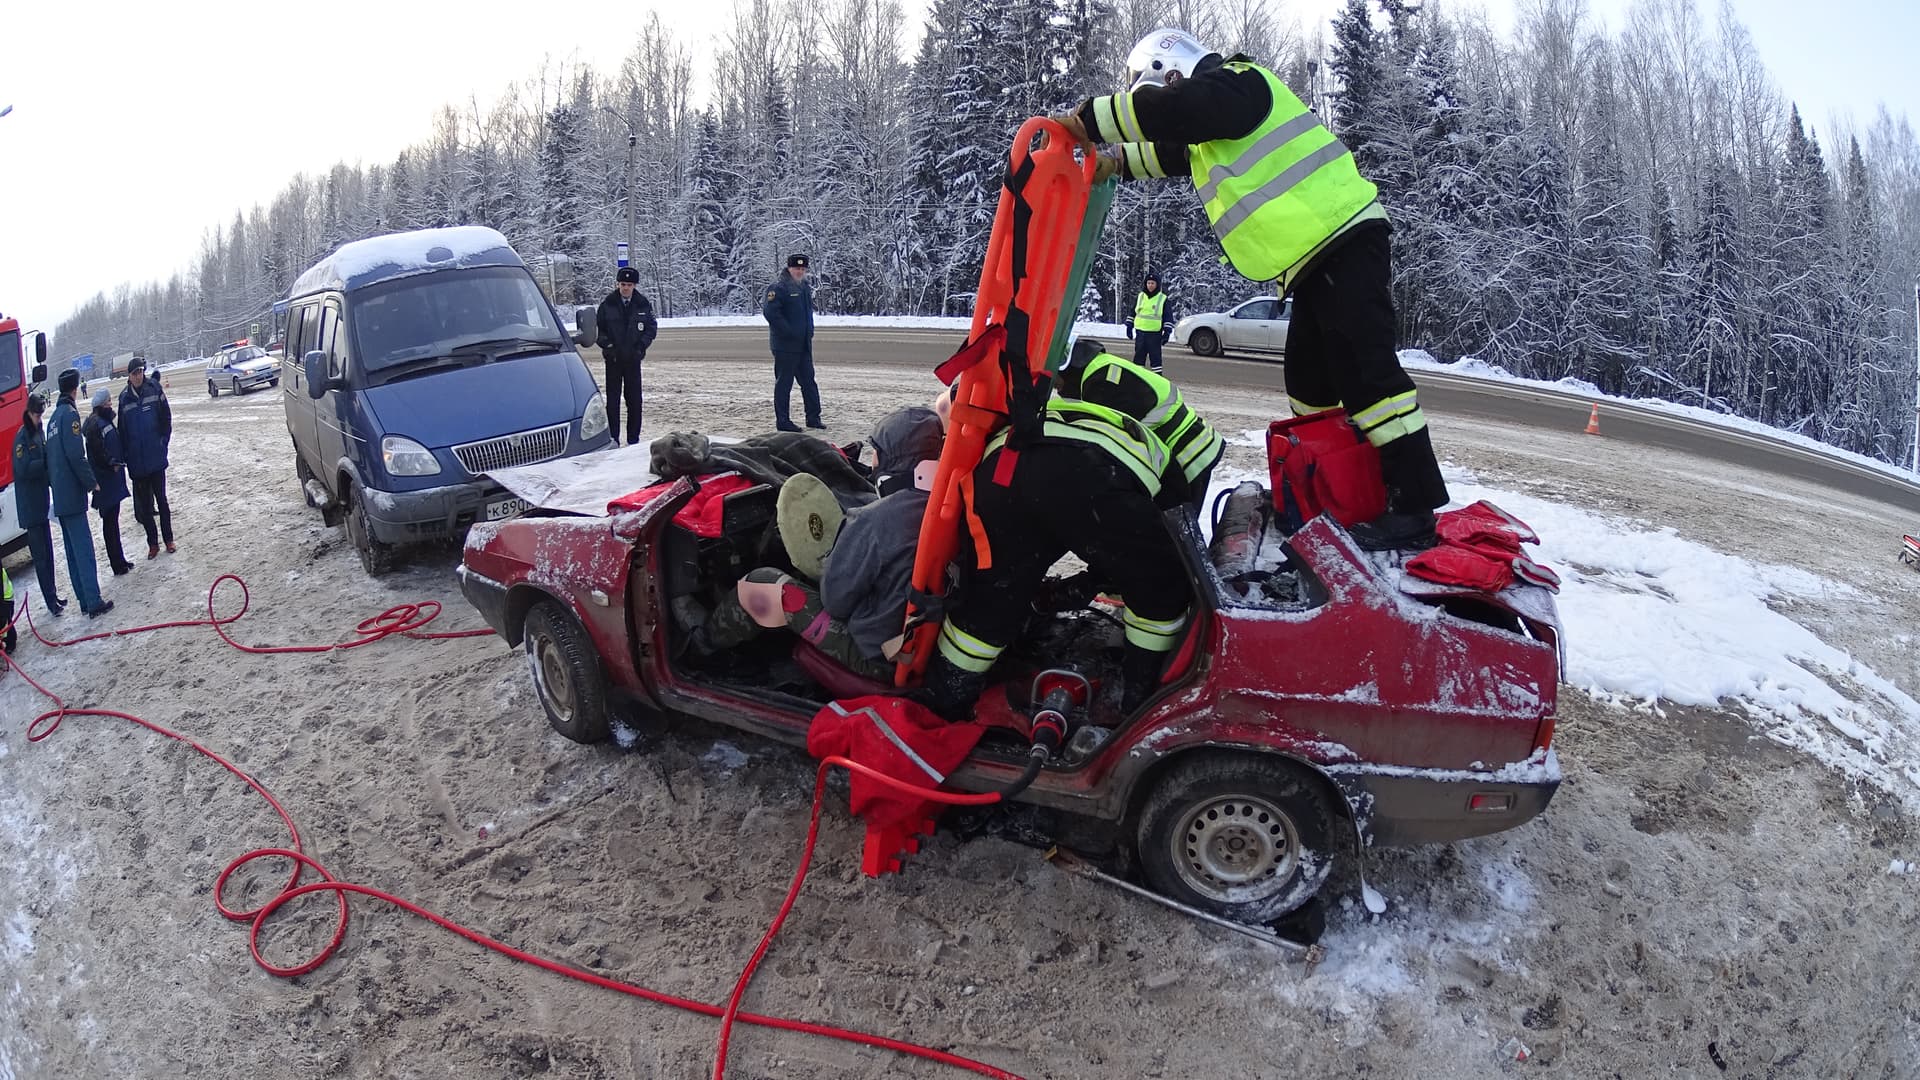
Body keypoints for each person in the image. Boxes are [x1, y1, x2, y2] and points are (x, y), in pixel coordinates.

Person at [1056, 29, 1449, 551]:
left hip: (1346, 237)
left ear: (1170, 75)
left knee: (1368, 374)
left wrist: (1090, 120)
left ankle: (1414, 507)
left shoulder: (1241, 84)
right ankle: (1334, 488)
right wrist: (1119, 163)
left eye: (1156, 90)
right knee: (1308, 385)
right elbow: (1176, 151)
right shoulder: (1215, 123)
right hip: (1316, 258)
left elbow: (1181, 113)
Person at [919, 399, 1191, 721]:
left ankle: (946, 696)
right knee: (1160, 591)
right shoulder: (1175, 486)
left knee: (993, 597)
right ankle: (1138, 701)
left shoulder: (1084, 417)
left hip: (1003, 470)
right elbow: (1147, 563)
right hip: (1088, 471)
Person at [689, 408, 944, 680]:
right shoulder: (950, 508)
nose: (873, 460)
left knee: (762, 581)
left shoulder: (874, 521)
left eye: (876, 451)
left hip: (877, 656)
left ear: (891, 460)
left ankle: (700, 649)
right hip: (924, 646)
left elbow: (835, 603)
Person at [1060, 338, 1223, 509]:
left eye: (1056, 377)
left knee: (1174, 527)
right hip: (1192, 444)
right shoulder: (1099, 367)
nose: (1056, 386)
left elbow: (1113, 445)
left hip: (1187, 453)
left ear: (1068, 367)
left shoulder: (1100, 383)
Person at [47, 369, 111, 618]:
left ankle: (84, 600)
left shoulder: (53, 419)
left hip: (60, 497)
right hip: (72, 495)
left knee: (72, 552)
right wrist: (91, 483)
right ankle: (93, 601)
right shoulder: (70, 415)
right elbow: (76, 455)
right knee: (83, 549)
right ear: (75, 389)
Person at [11, 393, 68, 616]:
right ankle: (50, 602)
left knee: (49, 554)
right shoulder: (22, 438)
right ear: (28, 413)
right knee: (41, 558)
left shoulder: (37, 433)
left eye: (40, 414)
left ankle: (53, 595)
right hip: (30, 508)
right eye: (35, 414)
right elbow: (23, 468)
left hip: (41, 505)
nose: (38, 418)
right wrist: (44, 462)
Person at [118, 356, 175, 559]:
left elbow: (166, 418)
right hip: (138, 464)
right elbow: (122, 432)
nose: (139, 376)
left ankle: (169, 539)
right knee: (145, 509)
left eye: (141, 371)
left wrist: (163, 442)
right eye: (135, 373)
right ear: (129, 376)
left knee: (162, 501)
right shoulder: (124, 399)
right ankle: (153, 544)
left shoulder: (154, 389)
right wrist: (127, 456)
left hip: (156, 458)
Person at [594, 266, 657, 445]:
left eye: (629, 284)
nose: (626, 288)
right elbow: (600, 331)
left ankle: (633, 440)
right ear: (618, 284)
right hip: (613, 361)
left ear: (634, 285)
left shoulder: (642, 304)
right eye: (623, 284)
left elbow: (651, 328)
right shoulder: (608, 304)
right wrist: (609, 347)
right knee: (613, 403)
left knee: (635, 402)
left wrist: (641, 347)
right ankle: (613, 439)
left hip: (633, 360)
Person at [763, 253, 823, 433]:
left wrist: (809, 331)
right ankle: (783, 421)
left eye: (803, 269)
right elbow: (771, 313)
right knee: (784, 384)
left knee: (809, 382)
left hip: (803, 344)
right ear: (789, 268)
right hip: (785, 346)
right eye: (797, 268)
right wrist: (788, 332)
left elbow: (807, 313)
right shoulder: (778, 288)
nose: (800, 271)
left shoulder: (804, 286)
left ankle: (813, 418)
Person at [82, 388, 134, 576]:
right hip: (106, 482)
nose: (110, 405)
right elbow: (97, 452)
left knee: (113, 523)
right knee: (110, 524)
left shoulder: (102, 421)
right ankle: (117, 563)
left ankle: (120, 560)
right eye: (108, 402)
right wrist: (111, 464)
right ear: (100, 405)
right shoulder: (96, 424)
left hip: (112, 481)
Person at [1131, 271, 1169, 371]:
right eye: (1148, 283)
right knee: (1138, 360)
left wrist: (1167, 332)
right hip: (1140, 333)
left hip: (1154, 335)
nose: (1150, 285)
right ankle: (1137, 381)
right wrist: (1129, 326)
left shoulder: (1162, 299)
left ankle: (1157, 380)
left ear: (1157, 285)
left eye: (1152, 283)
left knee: (1155, 360)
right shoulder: (1141, 296)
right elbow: (1133, 312)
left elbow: (1168, 316)